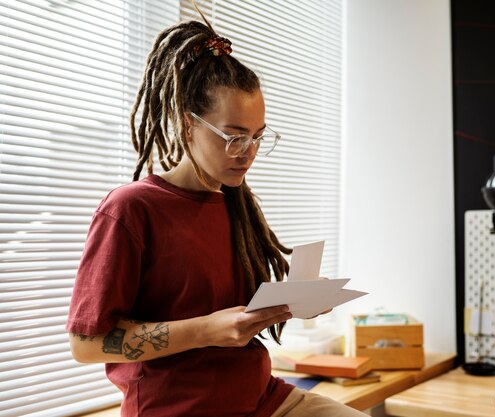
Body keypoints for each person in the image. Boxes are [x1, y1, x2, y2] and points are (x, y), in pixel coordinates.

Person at [65, 5, 367, 417]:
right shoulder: (130, 209)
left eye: (259, 137)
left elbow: (238, 310)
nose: (249, 154)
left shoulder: (235, 202)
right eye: (234, 137)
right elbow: (86, 345)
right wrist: (207, 330)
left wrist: (294, 301)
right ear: (187, 124)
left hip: (262, 398)